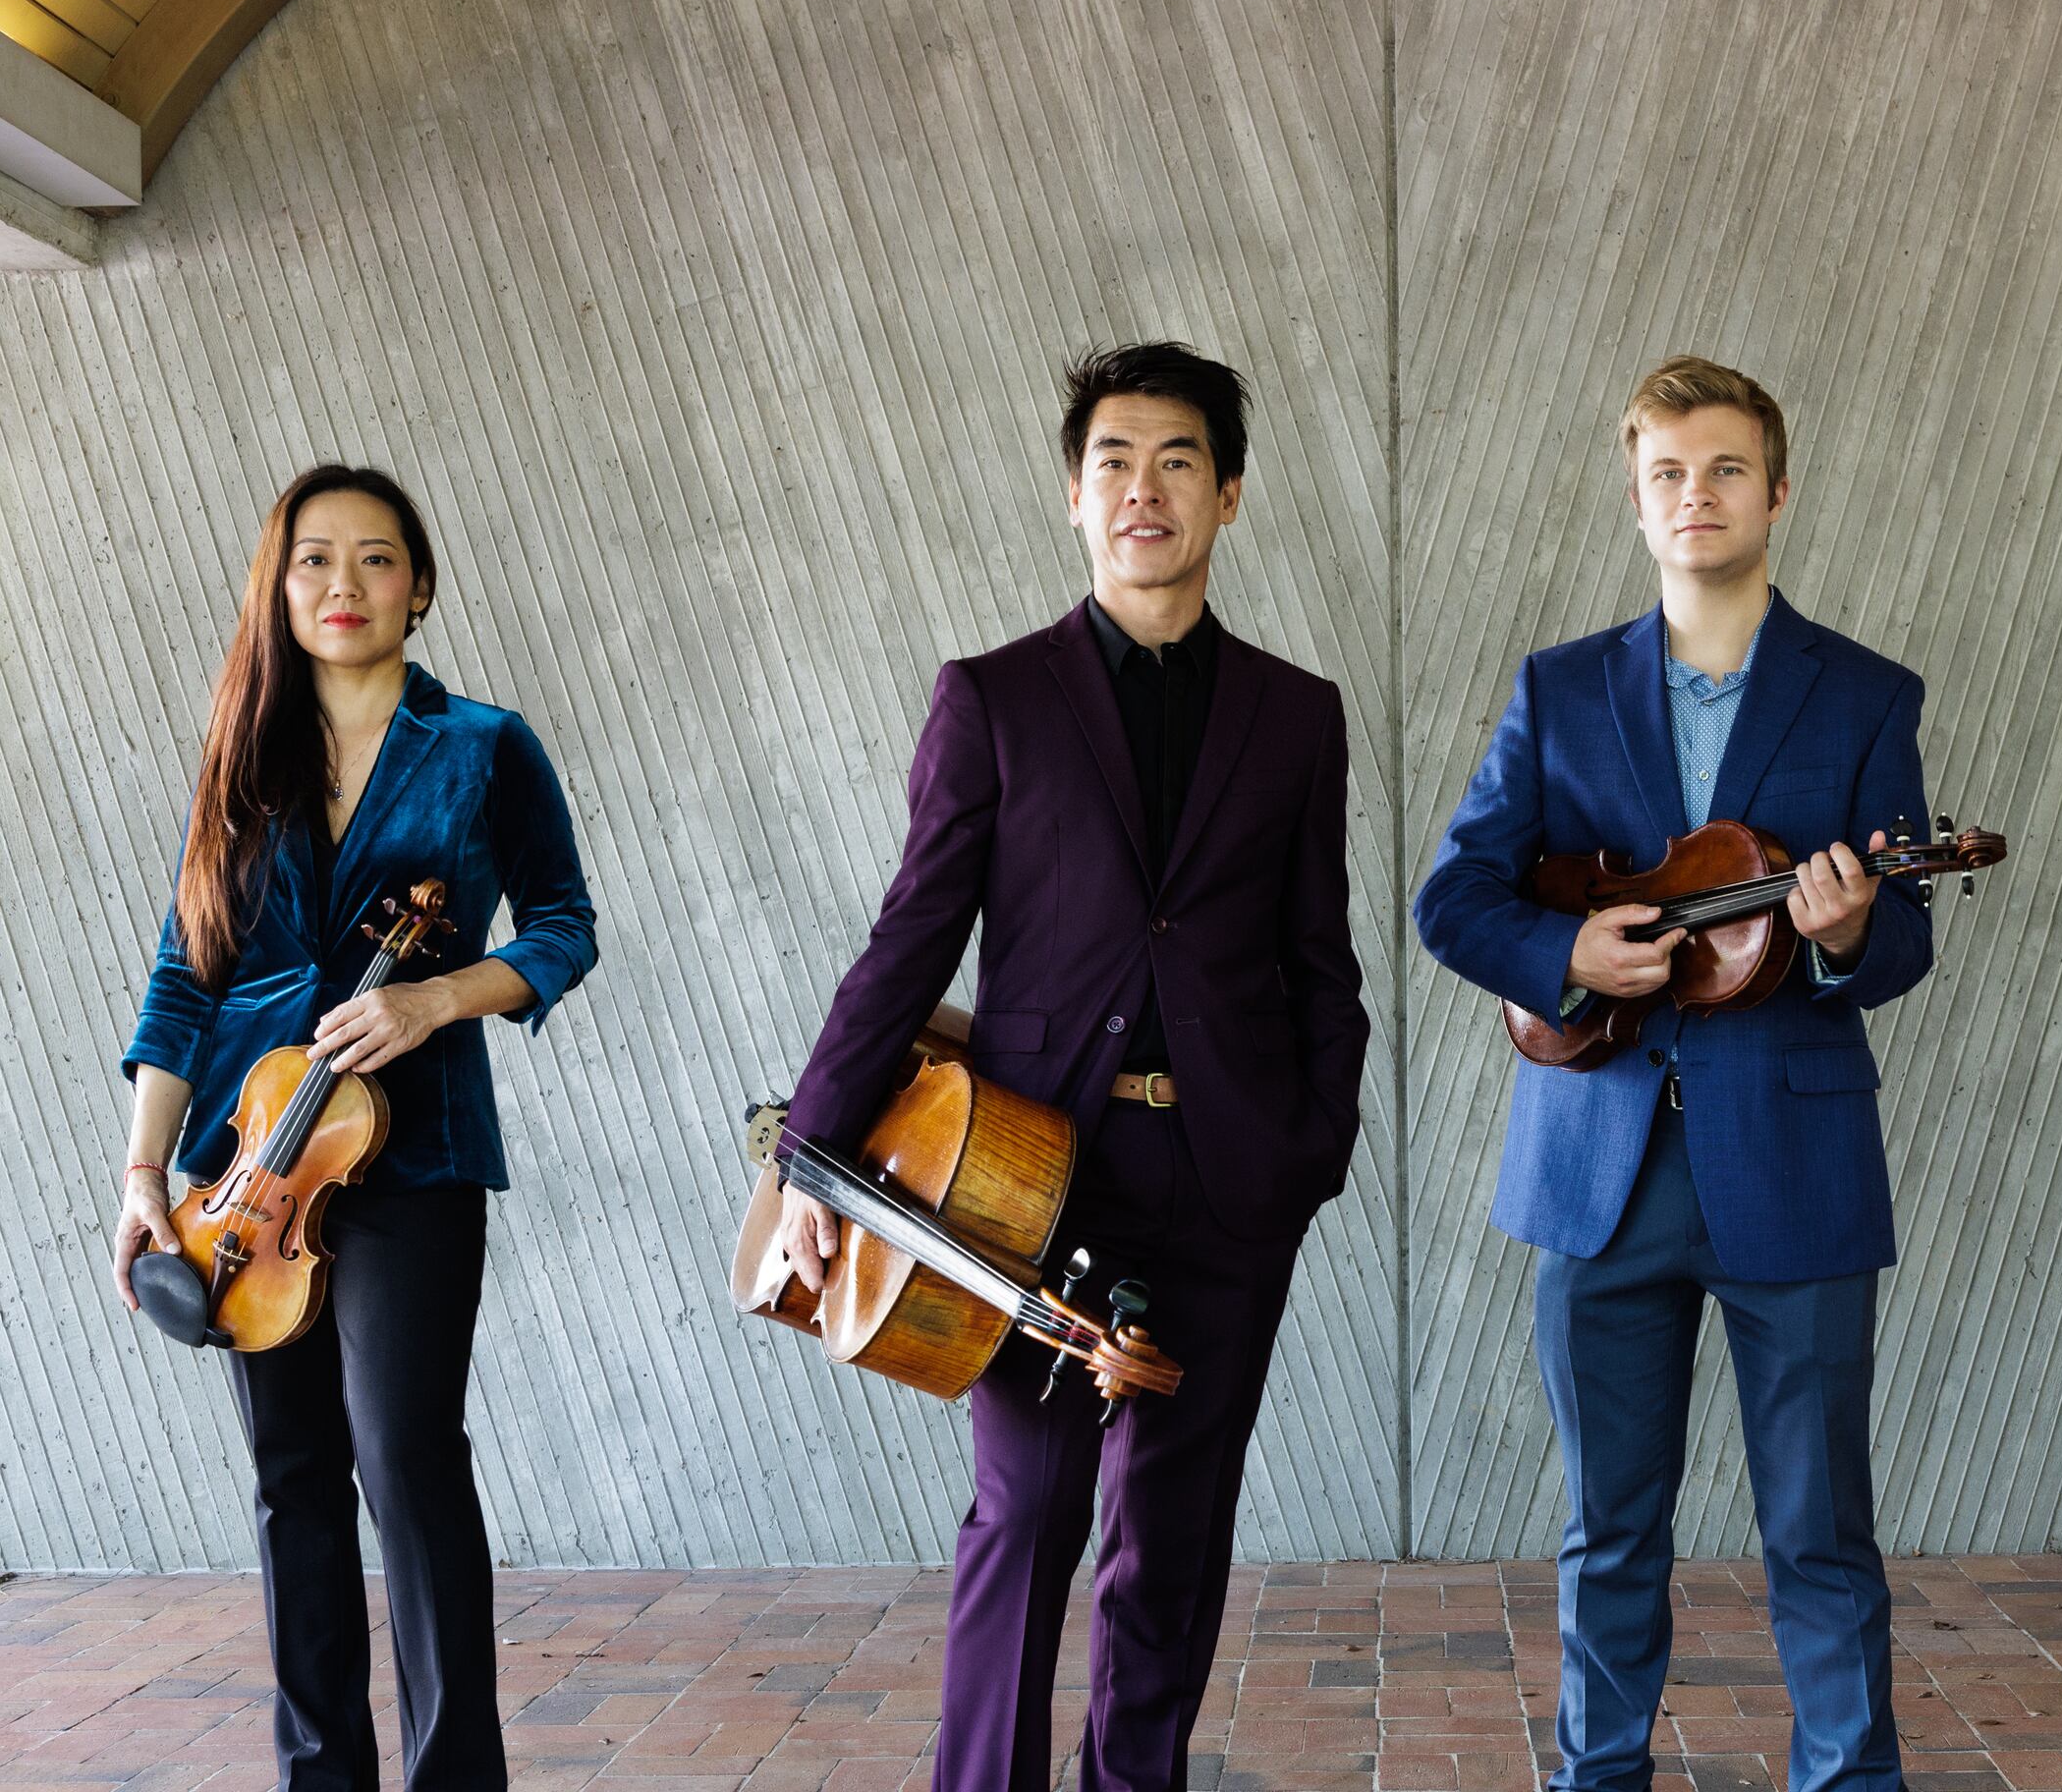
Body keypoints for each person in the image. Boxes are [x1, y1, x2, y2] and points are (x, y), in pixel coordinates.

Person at [768, 341, 1368, 1792]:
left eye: (1176, 463)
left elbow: (1319, 962)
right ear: (1074, 497)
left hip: (1229, 1177)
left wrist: (1308, 1154)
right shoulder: (994, 699)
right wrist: (817, 1160)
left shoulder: (1298, 715)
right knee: (1025, 1516)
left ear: (1229, 495)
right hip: (1032, 1177)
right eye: (1113, 463)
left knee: (1169, 1538)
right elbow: (909, 941)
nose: (1143, 491)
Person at [1415, 356, 1935, 1792]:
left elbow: (1907, 943)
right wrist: (1568, 952)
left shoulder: (1868, 695)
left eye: (1723, 470)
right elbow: (1453, 899)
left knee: (1821, 1530)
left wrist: (1845, 937)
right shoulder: (1560, 688)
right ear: (1638, 501)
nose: (1694, 496)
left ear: (1778, 489)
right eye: (1667, 475)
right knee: (1609, 1526)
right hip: (1599, 1166)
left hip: (1798, 1170)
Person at [106, 464, 598, 1792]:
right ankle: (318, 1773)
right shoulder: (241, 754)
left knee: (408, 1459)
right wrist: (147, 1170)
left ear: (419, 588)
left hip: (415, 1147)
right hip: (250, 1159)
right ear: (280, 586)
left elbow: (563, 928)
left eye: (374, 560)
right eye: (314, 559)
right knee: (293, 1475)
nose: (342, 584)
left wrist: (440, 996)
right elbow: (183, 972)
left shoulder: (486, 745)